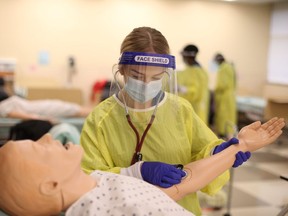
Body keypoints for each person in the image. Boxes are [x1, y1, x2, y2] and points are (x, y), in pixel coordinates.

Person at [80, 26, 249, 215]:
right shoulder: (101, 119)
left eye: (156, 77)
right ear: (122, 69)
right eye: (137, 76)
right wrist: (136, 172)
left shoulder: (180, 109)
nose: (146, 85)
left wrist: (217, 154)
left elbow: (202, 152)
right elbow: (88, 179)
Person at [0, 117, 285, 216]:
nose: (48, 136)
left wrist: (238, 147)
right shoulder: (106, 210)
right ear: (50, 185)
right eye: (38, 147)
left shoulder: (95, 184)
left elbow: (182, 182)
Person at [177, 44, 210, 125]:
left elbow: (196, 92)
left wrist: (183, 89)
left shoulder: (197, 72)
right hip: (193, 108)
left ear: (188, 57)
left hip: (196, 108)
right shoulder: (191, 69)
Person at [0, 95, 92, 121]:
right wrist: (44, 119)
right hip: (42, 110)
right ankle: (100, 113)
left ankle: (99, 111)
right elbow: (27, 116)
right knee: (74, 109)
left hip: (41, 105)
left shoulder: (3, 104)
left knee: (73, 108)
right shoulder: (2, 107)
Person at [213, 53, 237, 138]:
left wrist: (215, 89)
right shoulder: (230, 67)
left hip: (224, 96)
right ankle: (230, 134)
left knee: (223, 116)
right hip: (230, 95)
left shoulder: (223, 68)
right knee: (230, 116)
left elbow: (222, 84)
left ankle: (224, 134)